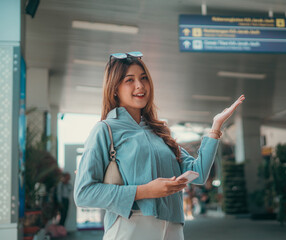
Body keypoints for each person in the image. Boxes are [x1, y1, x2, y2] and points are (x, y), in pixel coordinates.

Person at [74, 51, 245, 240]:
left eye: (144, 78)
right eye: (129, 80)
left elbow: (199, 174)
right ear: (115, 88)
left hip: (172, 228)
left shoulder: (159, 132)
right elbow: (84, 193)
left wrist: (215, 127)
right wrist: (145, 191)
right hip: (131, 227)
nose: (140, 85)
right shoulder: (105, 130)